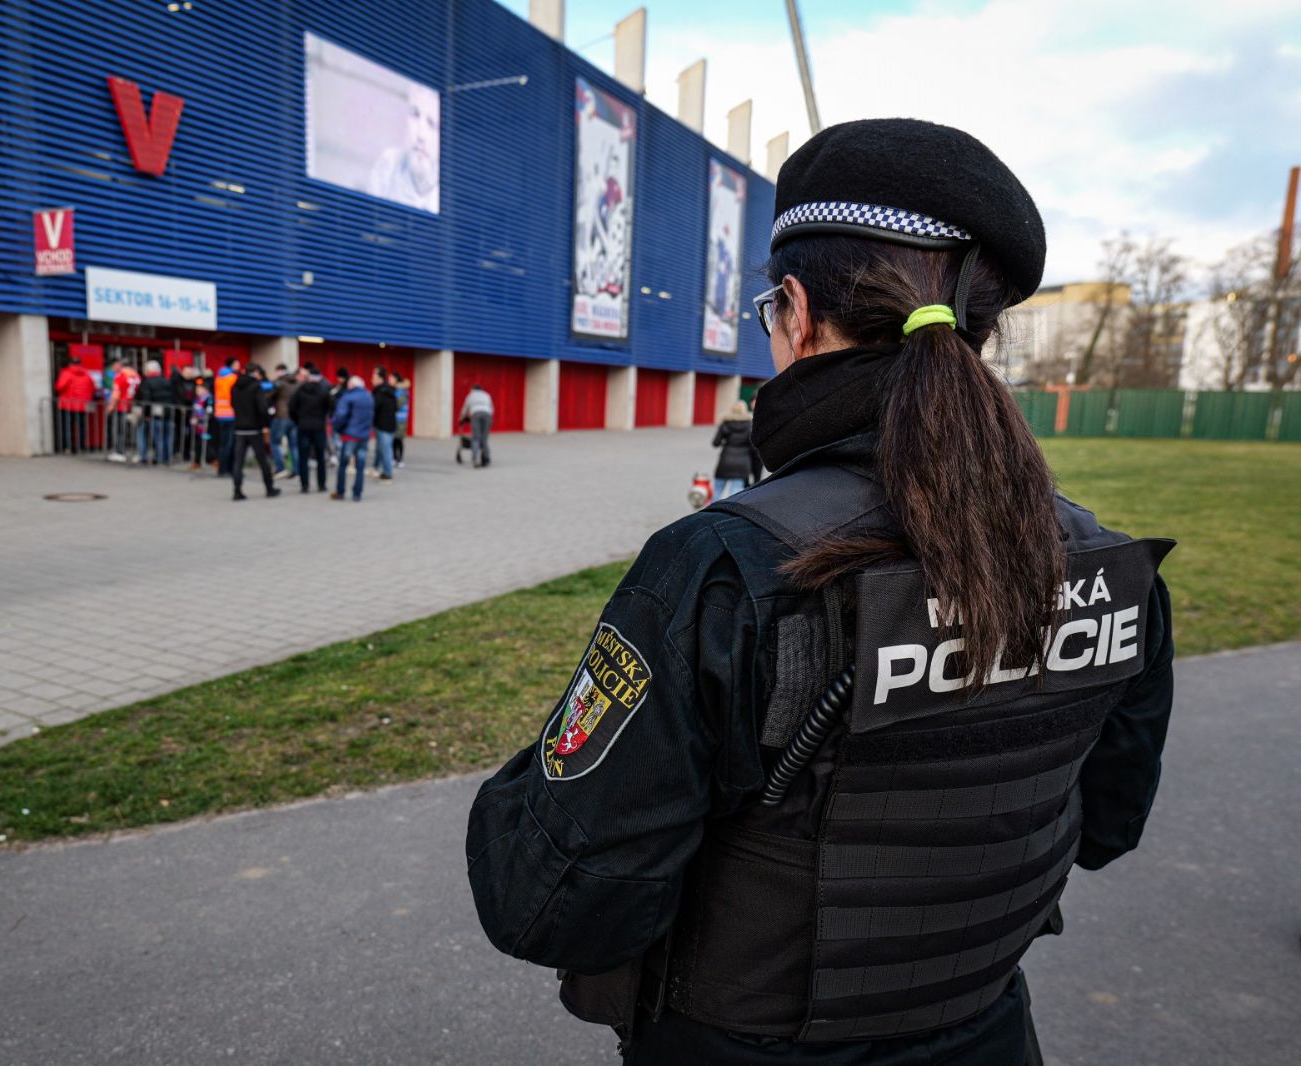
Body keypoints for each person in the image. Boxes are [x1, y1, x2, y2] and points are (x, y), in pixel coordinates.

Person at [465, 119, 1175, 1065]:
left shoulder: (729, 566)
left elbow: (549, 897)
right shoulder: (1104, 565)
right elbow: (1105, 827)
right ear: (982, 331)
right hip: (988, 1036)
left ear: (795, 310)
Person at [229, 364, 280, 501]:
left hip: (239, 428)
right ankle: (269, 489)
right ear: (256, 373)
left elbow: (232, 404)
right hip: (254, 428)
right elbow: (262, 408)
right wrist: (266, 423)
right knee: (263, 460)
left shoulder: (235, 386)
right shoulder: (256, 387)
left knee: (238, 462)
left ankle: (237, 490)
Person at [330, 375, 374, 502]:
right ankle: (357, 493)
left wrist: (337, 428)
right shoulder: (369, 396)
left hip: (350, 436)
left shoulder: (348, 397)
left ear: (352, 385)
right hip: (364, 436)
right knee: (360, 466)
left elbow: (340, 416)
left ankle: (340, 491)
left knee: (343, 464)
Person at [289, 366, 331, 494]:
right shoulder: (323, 391)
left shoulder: (300, 390)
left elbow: (291, 408)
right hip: (318, 427)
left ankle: (304, 485)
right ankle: (321, 484)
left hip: (303, 427)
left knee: (303, 457)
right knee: (320, 458)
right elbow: (331, 406)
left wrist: (298, 420)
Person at [136, 360, 177, 465]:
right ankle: (167, 458)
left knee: (158, 438)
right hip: (168, 414)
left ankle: (159, 458)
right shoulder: (167, 381)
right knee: (167, 437)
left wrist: (146, 414)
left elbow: (146, 400)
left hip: (156, 415)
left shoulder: (147, 382)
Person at [710, 400, 753, 499]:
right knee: (735, 493)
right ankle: (730, 513)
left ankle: (713, 513)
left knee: (717, 492)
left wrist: (725, 441)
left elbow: (715, 443)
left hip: (725, 461)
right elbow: (753, 448)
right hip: (742, 462)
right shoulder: (750, 425)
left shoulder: (725, 423)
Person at [53, 355, 95, 455]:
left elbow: (59, 387)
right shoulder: (87, 374)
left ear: (70, 364)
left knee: (67, 427)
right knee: (81, 427)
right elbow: (92, 388)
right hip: (83, 405)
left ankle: (69, 447)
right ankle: (81, 447)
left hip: (68, 405)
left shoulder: (66, 373)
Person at [104, 357, 140, 463]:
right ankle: (136, 453)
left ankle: (119, 452)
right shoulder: (137, 376)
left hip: (121, 407)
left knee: (119, 430)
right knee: (133, 431)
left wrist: (110, 406)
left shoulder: (120, 376)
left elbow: (116, 394)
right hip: (132, 407)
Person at [270, 364, 300, 478]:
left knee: (275, 442)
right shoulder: (296, 383)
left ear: (279, 371)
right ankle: (296, 470)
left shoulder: (279, 383)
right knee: (294, 445)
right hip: (294, 417)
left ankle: (280, 468)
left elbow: (269, 395)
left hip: (281, 416)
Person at [370, 366, 398, 481]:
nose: (372, 379)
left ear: (380, 379)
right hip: (388, 424)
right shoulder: (388, 391)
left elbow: (374, 407)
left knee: (385, 449)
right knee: (383, 449)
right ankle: (381, 469)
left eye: (374, 376)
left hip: (384, 425)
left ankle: (387, 473)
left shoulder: (381, 392)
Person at [457, 383, 494, 467]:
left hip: (476, 414)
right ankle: (486, 458)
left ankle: (475, 459)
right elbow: (492, 408)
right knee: (484, 438)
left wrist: (461, 418)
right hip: (487, 415)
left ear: (473, 389)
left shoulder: (471, 396)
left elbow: (465, 408)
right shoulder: (486, 395)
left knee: (476, 438)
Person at [213, 357, 239, 475]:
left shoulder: (218, 378)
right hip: (230, 415)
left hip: (220, 414)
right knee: (230, 444)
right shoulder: (233, 378)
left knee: (222, 444)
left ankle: (221, 469)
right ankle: (227, 469)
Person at [392, 371, 410, 468]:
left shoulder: (402, 391)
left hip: (401, 419)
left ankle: (400, 459)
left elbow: (398, 404)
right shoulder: (395, 390)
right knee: (394, 440)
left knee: (399, 439)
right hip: (395, 418)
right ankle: (394, 458)